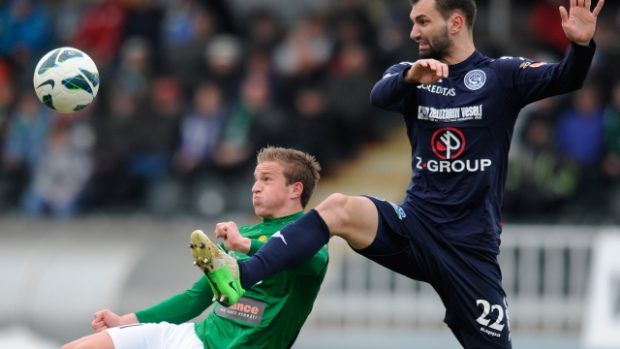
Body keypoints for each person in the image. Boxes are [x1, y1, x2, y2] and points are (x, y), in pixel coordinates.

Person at [196, 1, 605, 348]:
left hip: (469, 249)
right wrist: (412, 77)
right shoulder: (411, 73)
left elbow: (568, 76)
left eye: (423, 21)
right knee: (338, 207)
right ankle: (243, 272)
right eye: (412, 21)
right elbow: (380, 95)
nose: (413, 31)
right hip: (415, 225)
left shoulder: (502, 75)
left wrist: (581, 45)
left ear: (456, 22)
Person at [61, 146, 327, 349]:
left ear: (295, 189)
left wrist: (244, 246)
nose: (255, 188)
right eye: (255, 179)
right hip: (193, 338)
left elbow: (310, 260)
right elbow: (194, 299)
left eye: (267, 179)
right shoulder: (245, 232)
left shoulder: (307, 237)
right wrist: (124, 321)